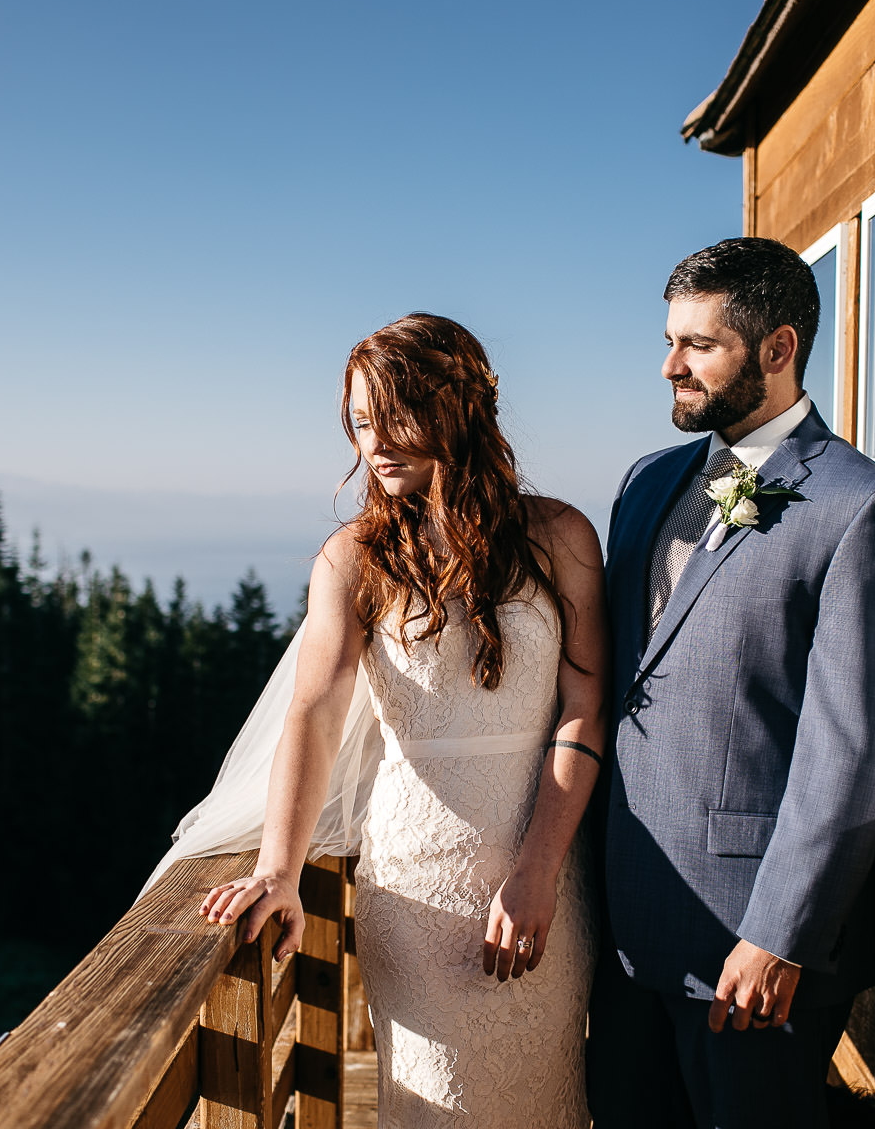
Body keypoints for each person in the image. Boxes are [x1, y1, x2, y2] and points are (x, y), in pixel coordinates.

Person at [194, 313, 609, 1127]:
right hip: (413, 889)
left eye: (397, 416)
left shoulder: (560, 536)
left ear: (460, 408)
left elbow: (586, 709)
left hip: (547, 870)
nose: (375, 442)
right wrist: (279, 870)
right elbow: (312, 716)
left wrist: (536, 870)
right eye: (359, 422)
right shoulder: (353, 557)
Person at [589, 238, 875, 1129]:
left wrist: (781, 930)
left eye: (699, 345)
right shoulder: (649, 482)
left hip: (750, 949)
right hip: (624, 928)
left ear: (778, 348)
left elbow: (854, 753)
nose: (671, 365)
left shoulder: (864, 509)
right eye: (670, 340)